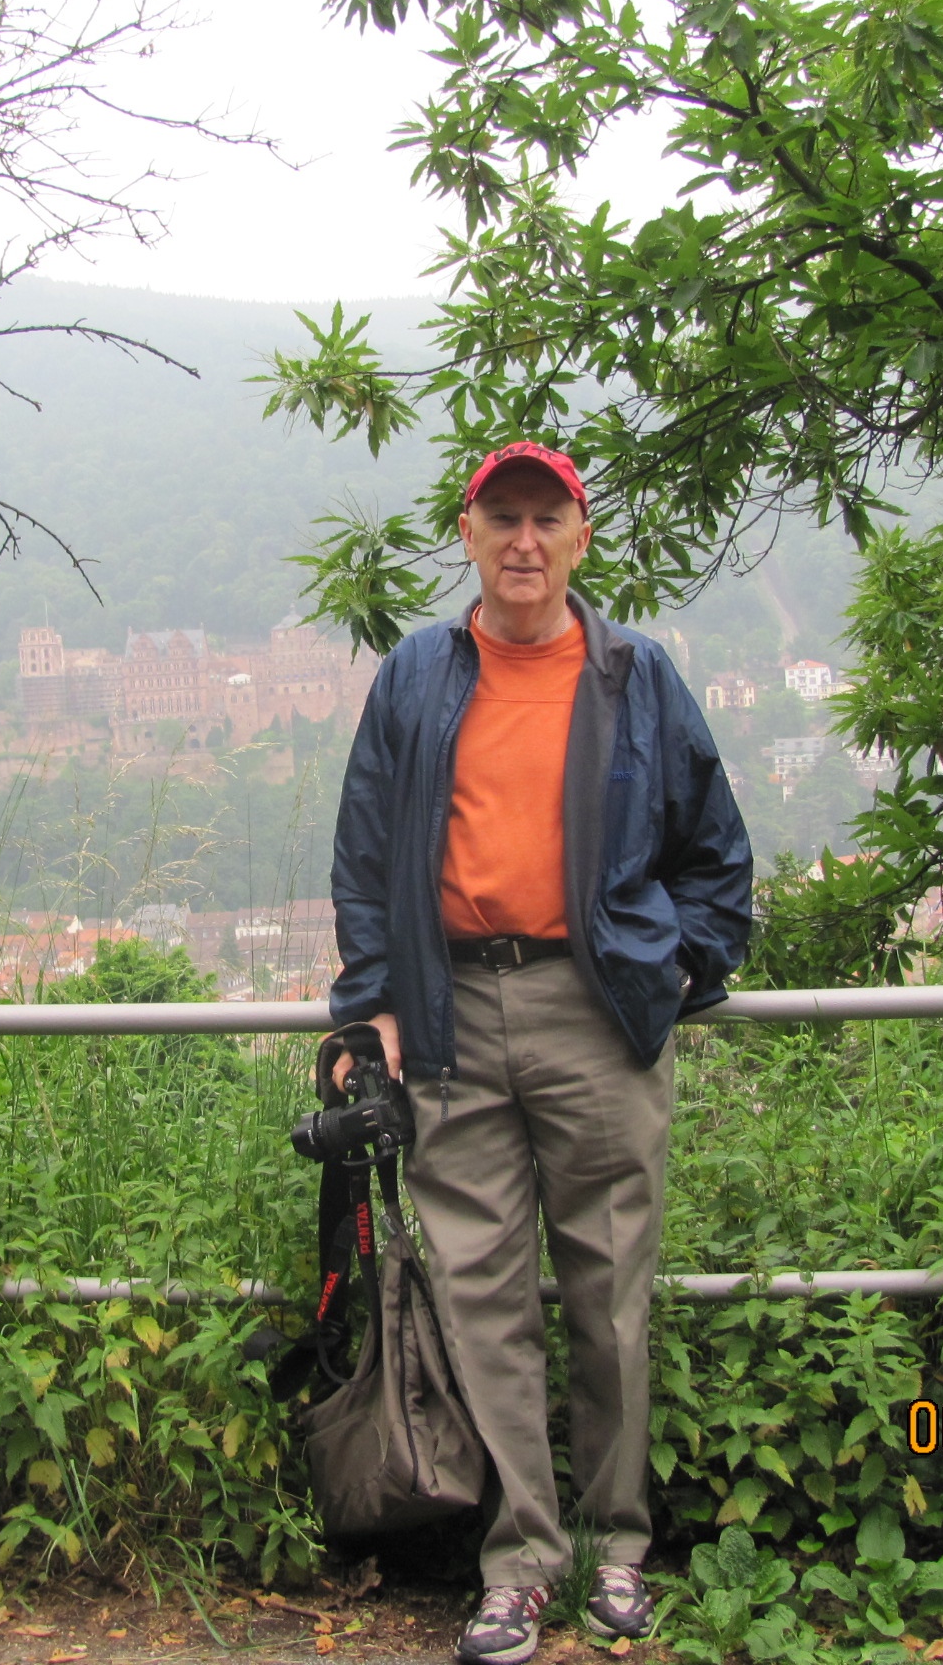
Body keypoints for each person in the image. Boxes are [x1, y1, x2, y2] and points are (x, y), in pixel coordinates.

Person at [328, 442, 753, 1665]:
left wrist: (675, 974)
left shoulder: (635, 678)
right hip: (449, 1011)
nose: (522, 541)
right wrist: (376, 1007)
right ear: (466, 533)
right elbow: (364, 857)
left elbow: (714, 858)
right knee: (481, 1296)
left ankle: (618, 1549)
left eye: (544, 520)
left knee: (610, 1292)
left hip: (595, 1010)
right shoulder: (416, 675)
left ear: (578, 539)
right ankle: (520, 1563)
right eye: (500, 518)